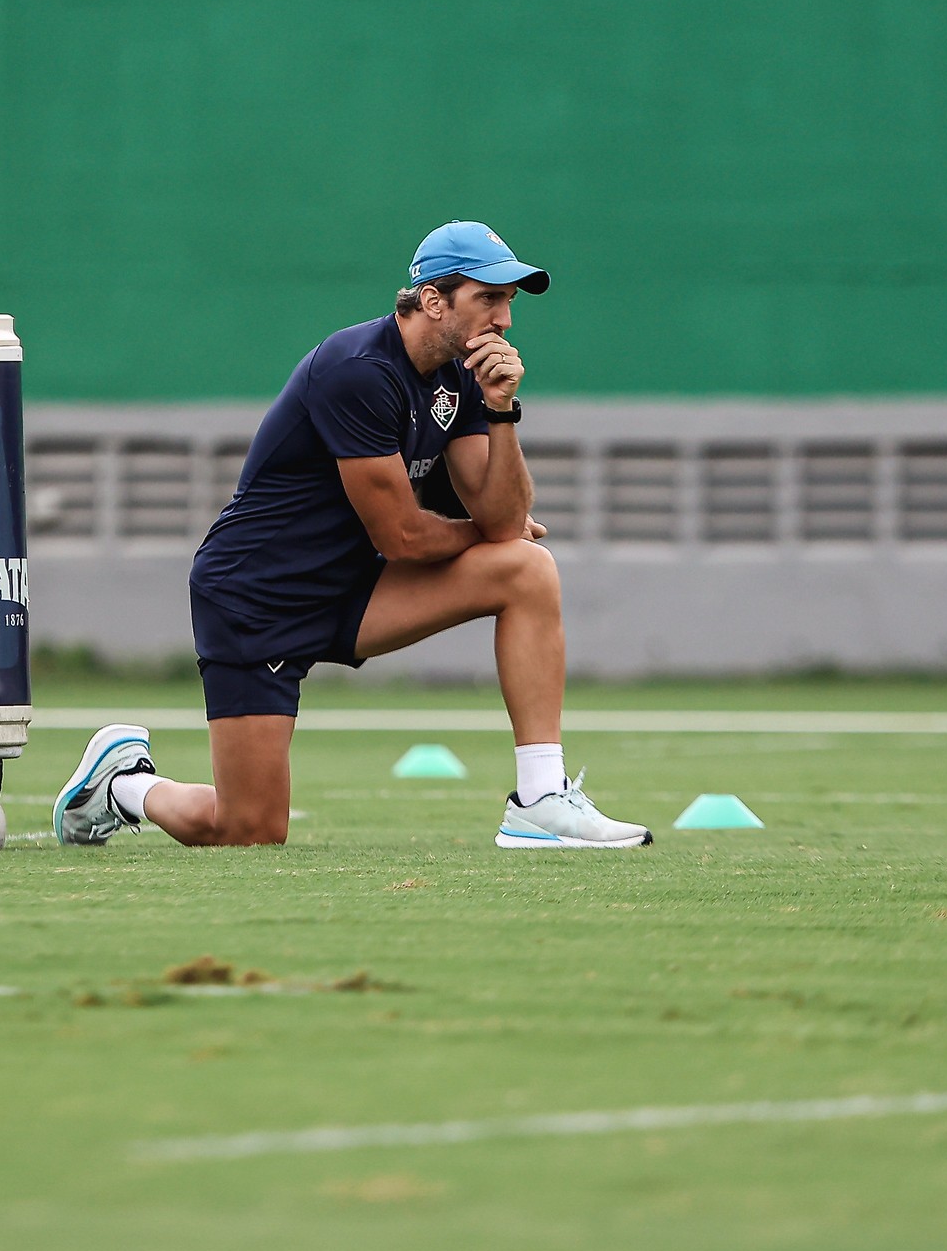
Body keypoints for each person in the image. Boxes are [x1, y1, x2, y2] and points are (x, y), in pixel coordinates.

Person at [53, 221, 652, 850]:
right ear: (432, 300)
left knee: (526, 569)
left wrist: (501, 408)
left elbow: (505, 526)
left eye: (510, 302)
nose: (505, 318)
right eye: (489, 298)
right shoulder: (357, 370)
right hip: (258, 597)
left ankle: (540, 801)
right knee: (249, 830)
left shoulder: (468, 374)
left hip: (354, 588)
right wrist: (484, 533)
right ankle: (122, 786)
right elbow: (404, 539)